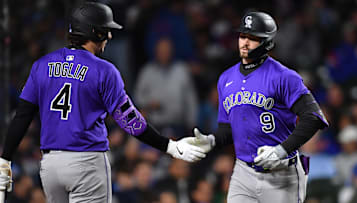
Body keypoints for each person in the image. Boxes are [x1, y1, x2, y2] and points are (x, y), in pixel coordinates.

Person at [0, 2, 206, 203]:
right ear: (95, 33)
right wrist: (168, 146)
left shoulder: (42, 65)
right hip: (86, 163)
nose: (109, 36)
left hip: (51, 166)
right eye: (106, 30)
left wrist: (5, 158)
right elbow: (130, 121)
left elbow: (22, 116)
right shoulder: (103, 70)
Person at [188, 11, 329, 203]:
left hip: (281, 173)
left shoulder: (284, 76)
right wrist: (212, 141)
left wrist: (281, 150)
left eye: (253, 38)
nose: (245, 42)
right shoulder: (226, 79)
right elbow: (227, 130)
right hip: (243, 171)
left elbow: (313, 117)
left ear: (267, 42)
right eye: (243, 36)